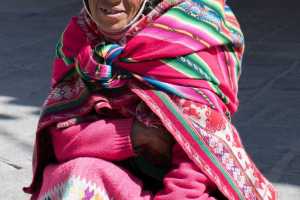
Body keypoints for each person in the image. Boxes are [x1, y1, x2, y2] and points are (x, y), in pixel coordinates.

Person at [24, 0, 278, 199]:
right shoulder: (79, 41)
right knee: (74, 177)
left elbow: (193, 172)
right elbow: (60, 139)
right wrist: (135, 134)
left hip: (182, 191)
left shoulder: (193, 40)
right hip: (115, 181)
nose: (111, 1)